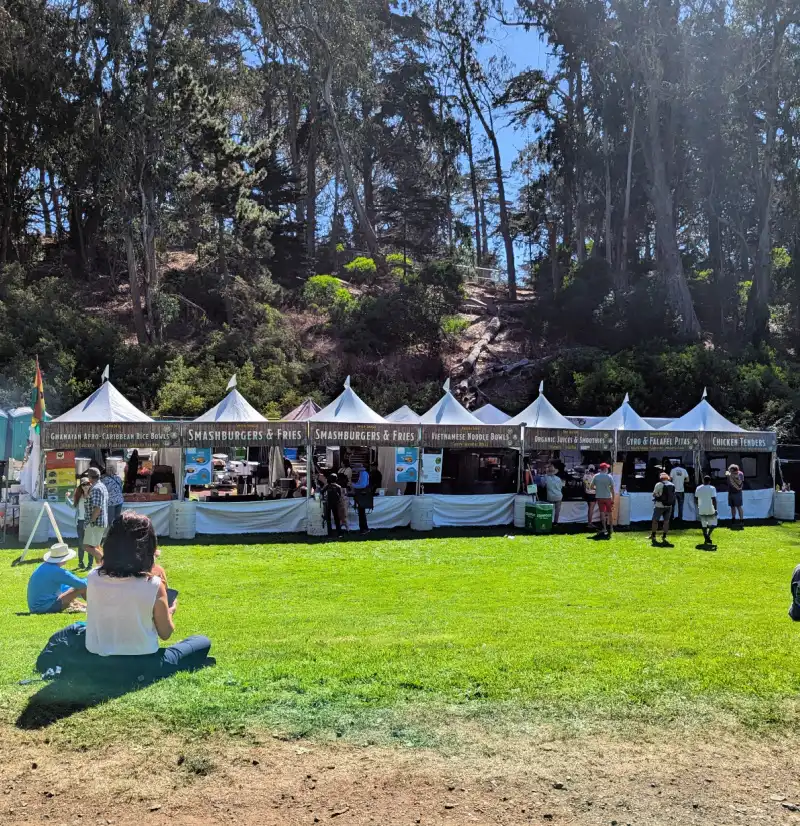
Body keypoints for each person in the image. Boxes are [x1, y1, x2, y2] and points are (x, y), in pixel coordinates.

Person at [85, 511, 212, 674]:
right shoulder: (152, 584)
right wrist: (170, 611)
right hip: (142, 662)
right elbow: (165, 633)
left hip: (98, 658)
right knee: (201, 641)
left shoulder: (93, 576)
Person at [26, 543, 87, 614]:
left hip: (35, 608)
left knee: (69, 589)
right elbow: (82, 584)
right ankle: (94, 606)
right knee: (82, 587)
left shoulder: (43, 567)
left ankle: (83, 605)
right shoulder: (58, 571)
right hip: (45, 608)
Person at [83, 468, 108, 566]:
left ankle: (106, 564)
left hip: (96, 522)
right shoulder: (102, 486)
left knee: (86, 546)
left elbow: (97, 508)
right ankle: (100, 568)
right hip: (101, 521)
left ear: (90, 477)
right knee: (96, 546)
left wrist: (91, 522)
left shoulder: (96, 488)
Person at [67, 475, 91, 569]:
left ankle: (89, 565)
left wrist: (86, 493)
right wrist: (67, 498)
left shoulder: (92, 495)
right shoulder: (79, 496)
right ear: (80, 486)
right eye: (83, 484)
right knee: (81, 544)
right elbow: (73, 507)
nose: (85, 486)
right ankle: (81, 563)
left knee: (89, 544)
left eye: (87, 484)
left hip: (89, 522)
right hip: (80, 522)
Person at [650, 472, 676, 544]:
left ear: (660, 478)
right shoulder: (672, 485)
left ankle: (653, 535)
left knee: (655, 521)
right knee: (666, 521)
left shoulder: (659, 484)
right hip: (669, 506)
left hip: (659, 505)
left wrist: (657, 495)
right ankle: (664, 536)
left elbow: (654, 494)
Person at [591, 462, 615, 538]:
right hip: (607, 497)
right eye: (607, 468)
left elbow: (591, 487)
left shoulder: (596, 476)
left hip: (599, 497)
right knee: (610, 513)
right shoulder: (609, 477)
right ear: (605, 469)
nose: (608, 469)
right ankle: (611, 528)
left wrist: (597, 488)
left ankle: (604, 528)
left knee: (602, 513)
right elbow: (612, 489)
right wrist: (613, 498)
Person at [695, 475, 718, 549]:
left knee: (704, 524)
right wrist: (716, 509)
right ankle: (708, 535)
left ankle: (706, 535)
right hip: (710, 507)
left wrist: (699, 504)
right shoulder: (712, 488)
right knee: (714, 524)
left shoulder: (698, 488)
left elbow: (696, 498)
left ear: (703, 481)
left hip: (701, 508)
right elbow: (714, 499)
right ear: (709, 481)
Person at [101, 465, 125, 529]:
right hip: (119, 500)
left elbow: (102, 491)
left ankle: (111, 533)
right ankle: (117, 532)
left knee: (110, 520)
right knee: (117, 518)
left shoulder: (104, 480)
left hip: (111, 502)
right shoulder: (118, 478)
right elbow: (121, 488)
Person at [351, 463, 372, 535]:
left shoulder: (363, 474)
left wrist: (353, 485)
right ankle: (363, 529)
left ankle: (364, 529)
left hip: (362, 495)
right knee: (361, 513)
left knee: (362, 513)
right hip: (362, 495)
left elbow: (362, 485)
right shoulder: (362, 473)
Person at [323, 472, 344, 537]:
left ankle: (329, 533)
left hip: (328, 504)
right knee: (337, 519)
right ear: (336, 479)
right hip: (336, 504)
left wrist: (324, 497)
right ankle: (339, 533)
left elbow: (322, 491)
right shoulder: (338, 487)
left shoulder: (327, 486)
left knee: (328, 519)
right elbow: (340, 496)